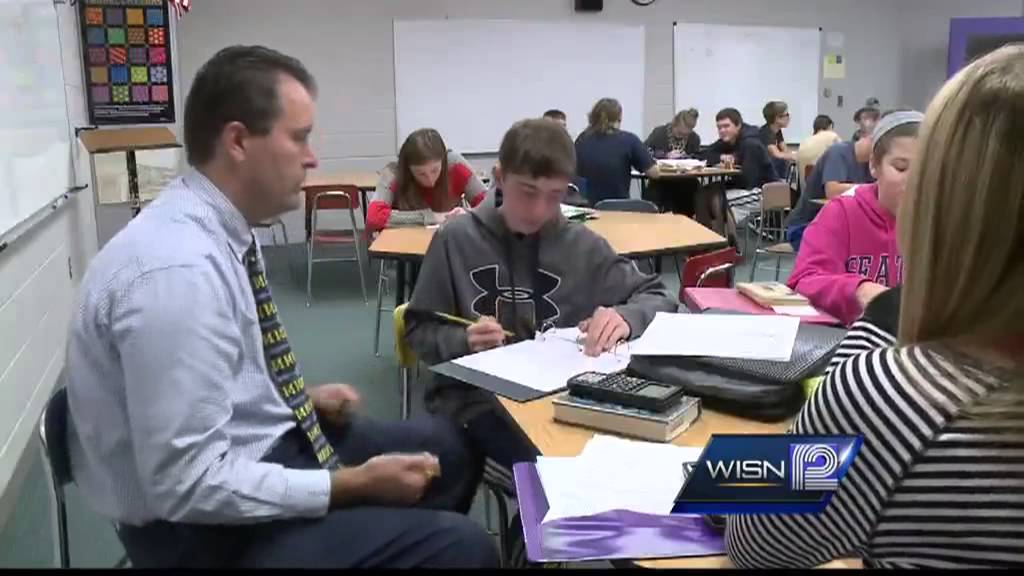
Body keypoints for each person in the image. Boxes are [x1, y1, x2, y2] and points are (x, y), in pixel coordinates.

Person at [64, 45, 498, 569]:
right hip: (196, 534)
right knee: (463, 546)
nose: (312, 158)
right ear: (238, 142)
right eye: (299, 138)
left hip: (248, 448)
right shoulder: (177, 275)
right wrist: (349, 486)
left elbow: (206, 381)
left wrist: (296, 398)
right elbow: (187, 487)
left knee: (450, 447)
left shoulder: (219, 231)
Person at [726, 44, 1024, 569]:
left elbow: (752, 541)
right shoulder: (844, 214)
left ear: (945, 203)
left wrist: (885, 317)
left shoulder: (902, 397)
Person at [405, 118, 678, 559]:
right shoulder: (456, 239)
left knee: (630, 472)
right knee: (555, 480)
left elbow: (659, 295)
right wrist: (463, 340)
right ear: (498, 178)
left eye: (554, 196)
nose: (538, 210)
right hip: (477, 402)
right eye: (527, 192)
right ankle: (530, 546)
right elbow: (418, 328)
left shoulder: (580, 244)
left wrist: (625, 316)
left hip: (565, 401)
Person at [786, 110, 923, 326]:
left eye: (927, 169)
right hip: (847, 337)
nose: (915, 180)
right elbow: (804, 280)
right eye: (901, 168)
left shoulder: (944, 221)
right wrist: (861, 290)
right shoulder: (841, 213)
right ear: (874, 165)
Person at [366, 129, 487, 233]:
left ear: (443, 161)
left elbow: (491, 205)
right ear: (409, 169)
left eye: (435, 170)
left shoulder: (455, 164)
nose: (430, 180)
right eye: (421, 174)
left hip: (449, 239)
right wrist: (433, 217)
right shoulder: (394, 172)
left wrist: (467, 213)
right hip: (408, 242)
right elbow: (373, 217)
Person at [785, 128, 875, 250]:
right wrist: (872, 188)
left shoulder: (873, 164)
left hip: (840, 225)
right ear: (869, 137)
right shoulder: (838, 152)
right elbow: (833, 191)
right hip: (807, 225)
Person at [703, 108, 780, 238]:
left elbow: (748, 181)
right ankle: (713, 239)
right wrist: (721, 157)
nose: (722, 130)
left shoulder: (750, 143)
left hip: (764, 191)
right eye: (719, 127)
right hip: (748, 187)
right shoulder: (729, 140)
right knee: (705, 192)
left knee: (721, 199)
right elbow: (704, 153)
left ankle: (730, 243)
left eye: (726, 126)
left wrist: (725, 181)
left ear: (738, 125)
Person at [574, 97, 659, 205]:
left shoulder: (582, 139)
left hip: (585, 206)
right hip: (617, 207)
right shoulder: (629, 140)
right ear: (619, 118)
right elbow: (654, 173)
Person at [644, 108, 702, 215]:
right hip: (661, 179)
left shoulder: (694, 138)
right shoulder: (659, 133)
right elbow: (646, 151)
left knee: (694, 190)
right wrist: (665, 155)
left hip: (685, 180)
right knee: (655, 193)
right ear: (674, 125)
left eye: (686, 135)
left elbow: (697, 156)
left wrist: (686, 157)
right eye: (680, 133)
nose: (682, 137)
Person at [796, 114, 842, 190]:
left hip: (805, 190)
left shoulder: (804, 142)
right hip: (824, 188)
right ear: (829, 126)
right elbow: (844, 155)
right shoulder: (832, 136)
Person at [759, 101, 798, 180]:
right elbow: (776, 154)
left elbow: (785, 150)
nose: (789, 117)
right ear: (777, 118)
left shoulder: (777, 131)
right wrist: (795, 156)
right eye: (786, 114)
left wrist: (794, 155)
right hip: (765, 175)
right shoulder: (765, 132)